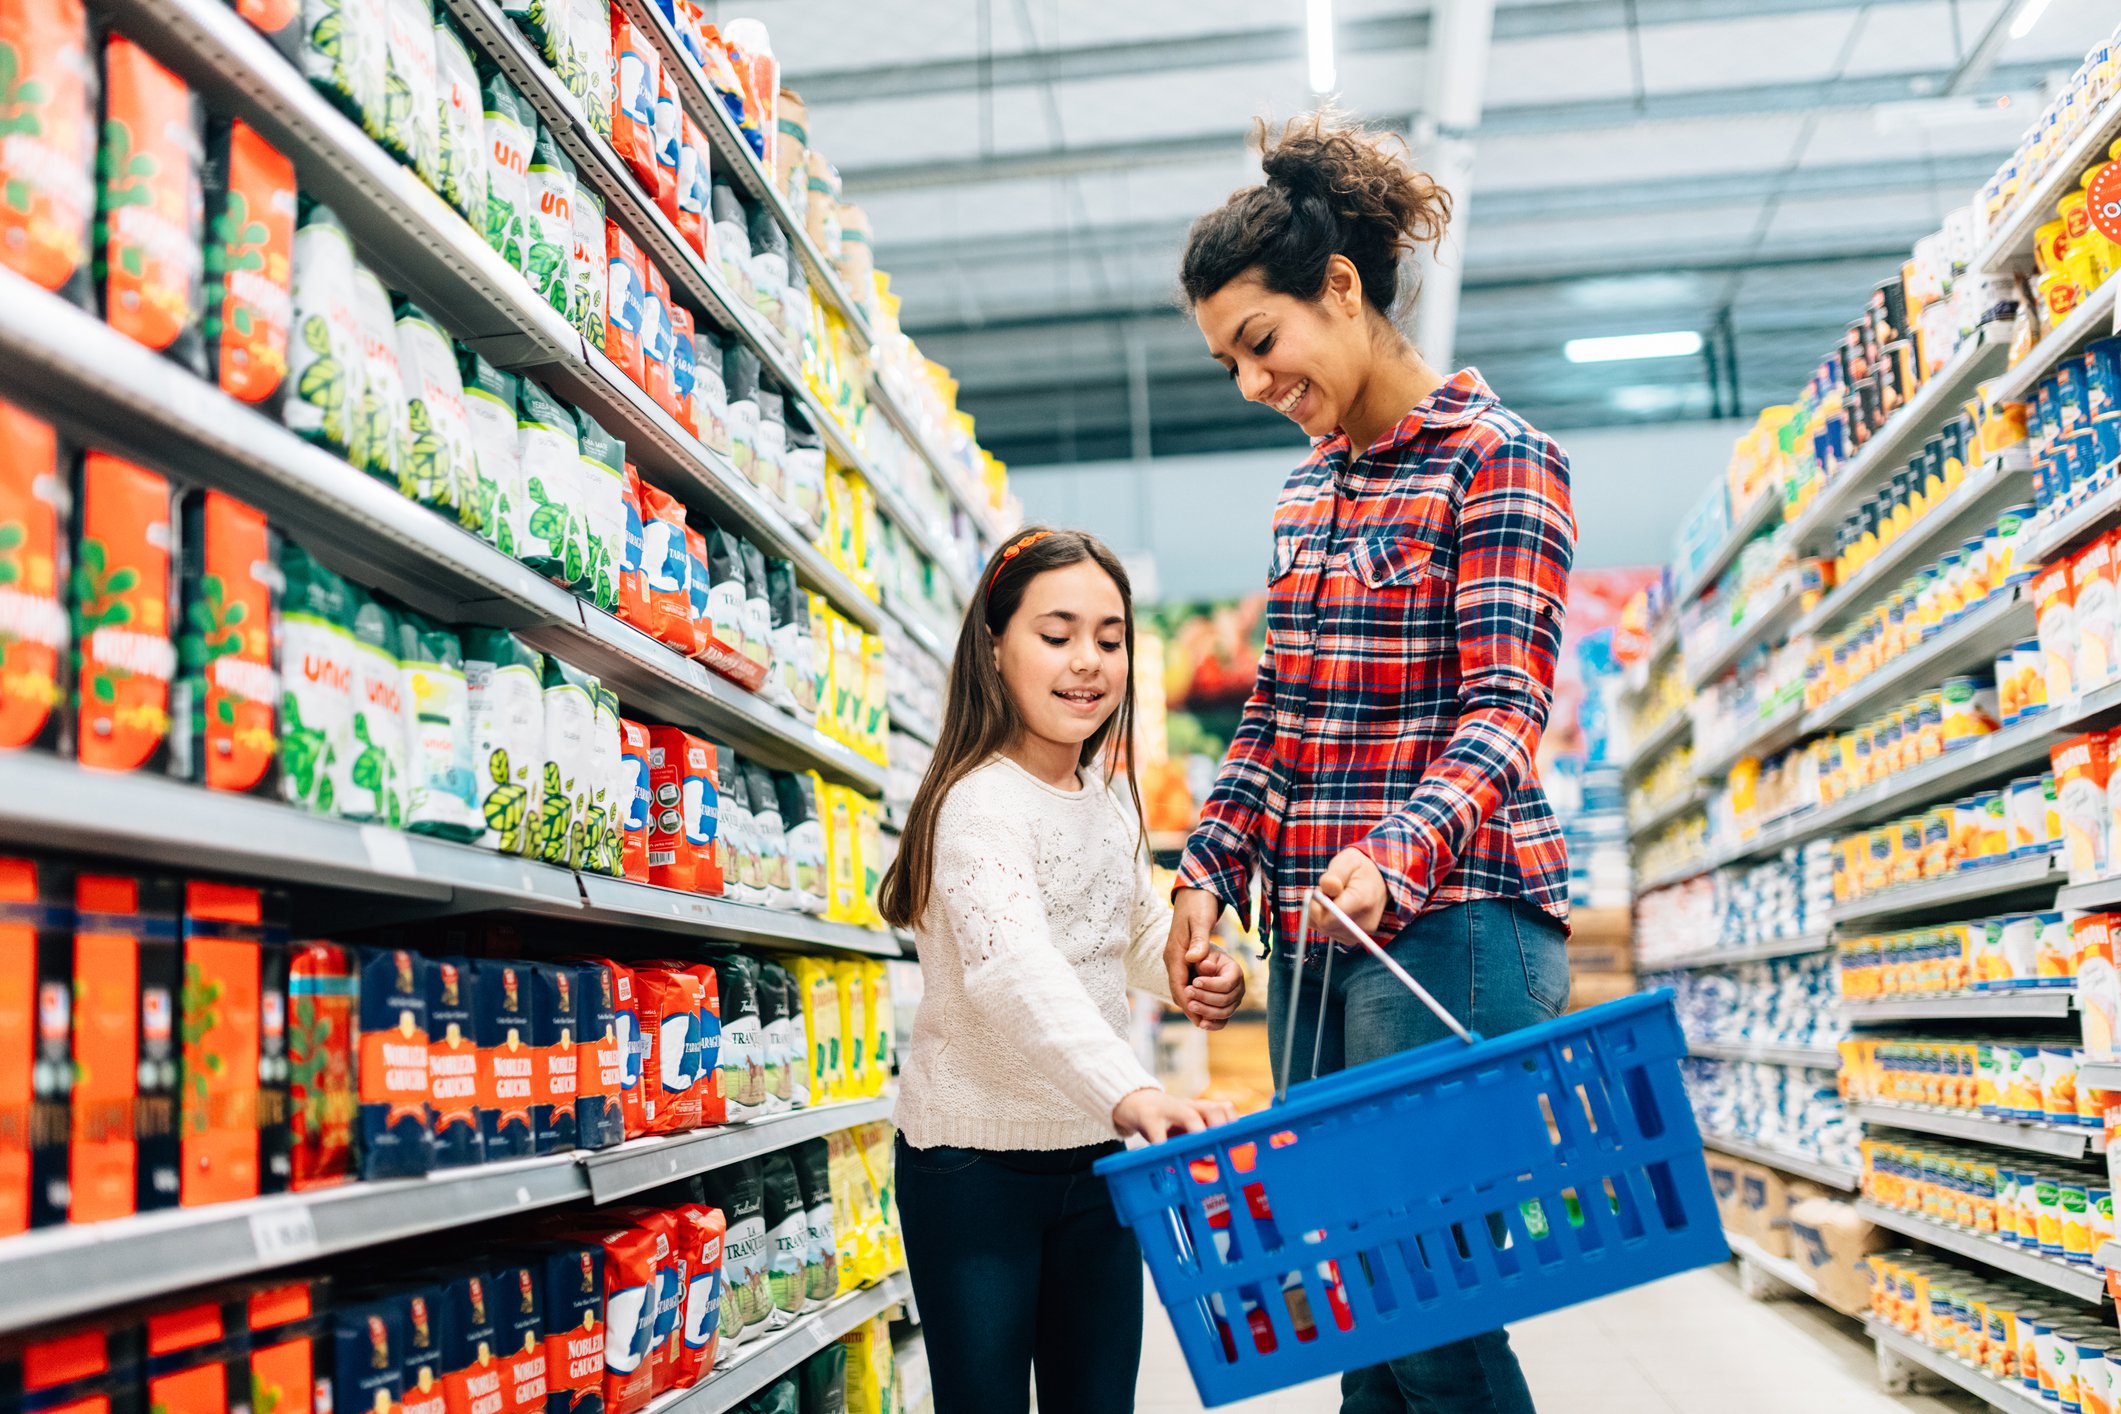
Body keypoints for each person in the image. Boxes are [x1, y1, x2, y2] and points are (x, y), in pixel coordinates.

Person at [1165, 110, 1577, 1414]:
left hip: (1456, 925)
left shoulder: (1498, 460)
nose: (1249, 382)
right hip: (1324, 946)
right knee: (1357, 1314)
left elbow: (1505, 709)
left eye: (1259, 343)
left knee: (1431, 1311)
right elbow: (1277, 720)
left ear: (1338, 288)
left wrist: (1395, 853)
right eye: (1228, 359)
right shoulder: (1305, 495)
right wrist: (1203, 874)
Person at [879, 526, 1248, 1414]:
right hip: (973, 1170)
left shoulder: (1104, 794)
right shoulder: (976, 807)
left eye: (1109, 639)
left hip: (1092, 1162)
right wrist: (1133, 1091)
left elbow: (1120, 930)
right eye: (1056, 635)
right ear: (995, 648)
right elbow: (1014, 971)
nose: (1087, 662)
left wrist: (1193, 970)